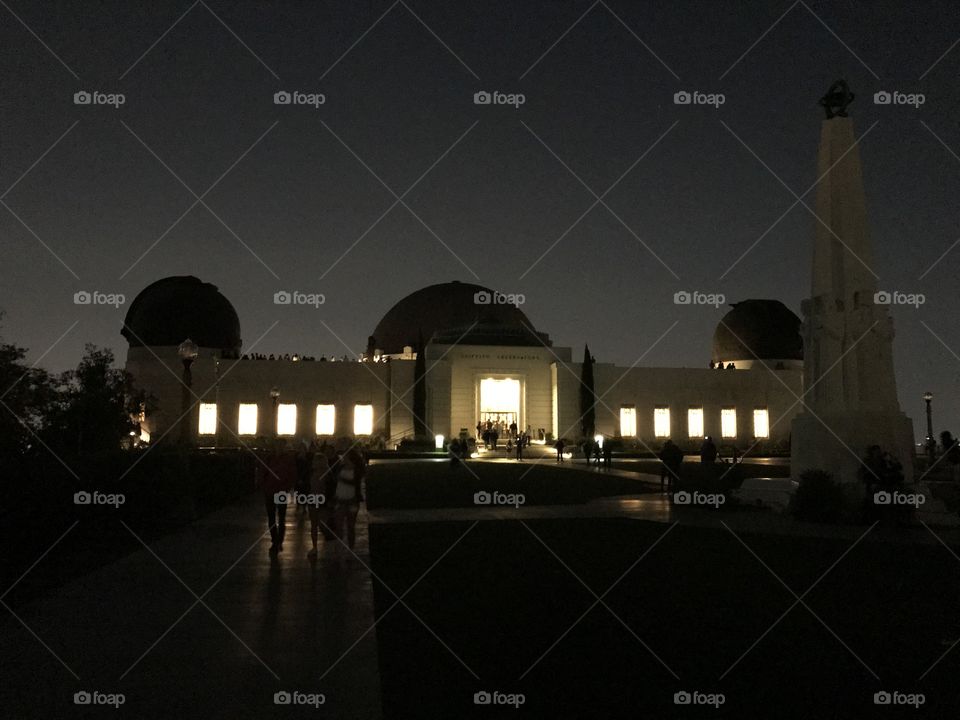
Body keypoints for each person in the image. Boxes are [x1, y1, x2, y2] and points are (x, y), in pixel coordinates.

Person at [256, 440, 296, 556]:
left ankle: (277, 541)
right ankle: (276, 540)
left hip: (277, 491)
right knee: (274, 517)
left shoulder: (271, 458)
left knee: (279, 517)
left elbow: (292, 475)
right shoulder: (278, 459)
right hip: (273, 491)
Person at [330, 448, 365, 551]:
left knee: (350, 527)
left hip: (351, 500)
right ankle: (342, 547)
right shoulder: (341, 467)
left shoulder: (356, 470)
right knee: (339, 526)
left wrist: (342, 480)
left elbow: (355, 483)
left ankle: (350, 548)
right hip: (341, 499)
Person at [307, 450, 332, 559]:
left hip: (321, 500)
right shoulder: (315, 472)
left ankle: (317, 546)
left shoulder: (326, 474)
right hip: (314, 499)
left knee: (321, 524)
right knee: (314, 525)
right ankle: (315, 546)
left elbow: (330, 488)